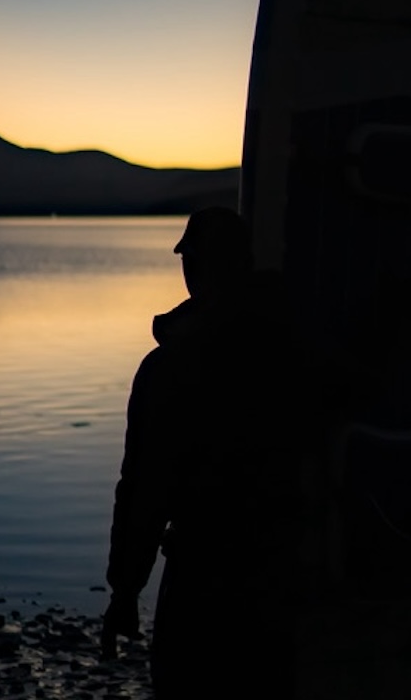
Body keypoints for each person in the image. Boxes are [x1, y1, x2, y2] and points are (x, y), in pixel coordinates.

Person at [101, 207, 305, 699]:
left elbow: (144, 490)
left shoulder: (168, 369)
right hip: (282, 575)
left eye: (192, 261)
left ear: (193, 268)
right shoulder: (296, 351)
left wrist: (126, 590)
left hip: (202, 576)